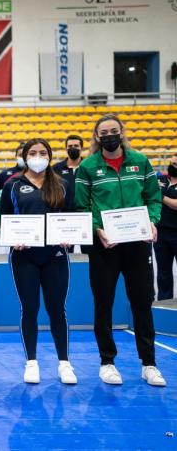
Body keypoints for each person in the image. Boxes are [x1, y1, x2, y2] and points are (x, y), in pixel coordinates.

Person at [75, 113, 165, 386]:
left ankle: (149, 363)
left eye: (114, 130)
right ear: (97, 137)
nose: (110, 135)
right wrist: (97, 229)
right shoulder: (88, 167)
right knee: (104, 304)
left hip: (137, 245)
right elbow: (82, 206)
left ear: (122, 132)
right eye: (104, 132)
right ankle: (107, 361)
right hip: (104, 246)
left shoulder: (140, 161)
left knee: (142, 303)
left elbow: (153, 198)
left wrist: (152, 222)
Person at [0, 139, 77, 385]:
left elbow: (71, 218)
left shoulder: (62, 184)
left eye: (42, 153)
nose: (37, 156)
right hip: (24, 257)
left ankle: (64, 363)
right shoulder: (12, 185)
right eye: (32, 153)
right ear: (24, 156)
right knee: (29, 309)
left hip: (55, 256)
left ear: (50, 156)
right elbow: (4, 219)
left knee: (57, 309)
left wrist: (69, 237)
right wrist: (13, 239)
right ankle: (31, 362)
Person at [155, 154, 177, 301]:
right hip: (161, 233)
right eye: (172, 163)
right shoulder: (161, 180)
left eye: (176, 165)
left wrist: (161, 197)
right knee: (163, 272)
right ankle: (164, 302)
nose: (173, 166)